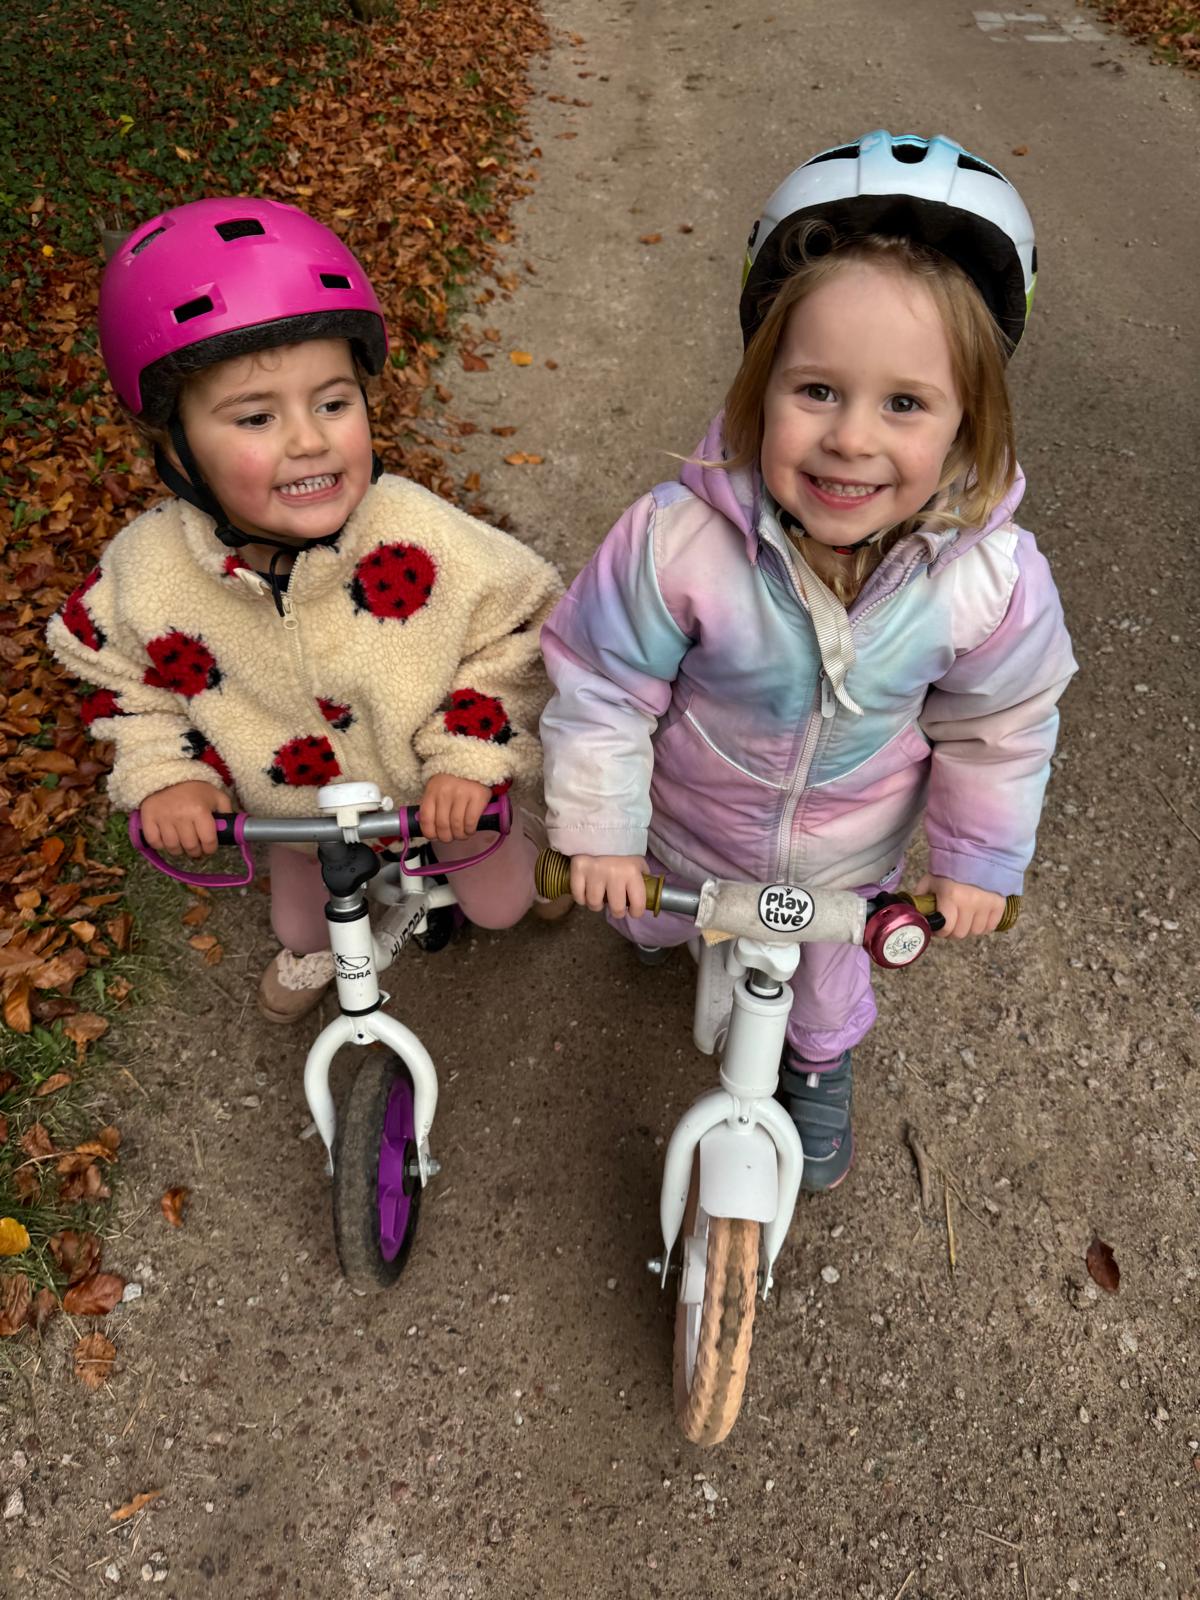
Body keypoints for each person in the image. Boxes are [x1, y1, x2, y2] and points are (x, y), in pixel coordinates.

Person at [539, 131, 1077, 1191]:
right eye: (817, 390)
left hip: (841, 862)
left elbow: (999, 728)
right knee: (640, 906)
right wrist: (600, 829)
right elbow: (604, 684)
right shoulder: (676, 542)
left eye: (905, 404)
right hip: (684, 826)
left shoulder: (990, 581)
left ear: (968, 421)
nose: (851, 440)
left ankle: (820, 1064)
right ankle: (652, 923)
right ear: (760, 386)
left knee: (825, 994)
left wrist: (976, 862)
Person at [49, 196, 565, 1023]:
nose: (310, 441)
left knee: (502, 904)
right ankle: (333, 933)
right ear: (172, 444)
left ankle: (534, 845)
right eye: (257, 417)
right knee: (300, 925)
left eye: (333, 403)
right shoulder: (147, 575)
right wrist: (165, 775)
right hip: (295, 815)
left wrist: (468, 756)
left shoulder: (419, 534)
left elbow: (525, 622)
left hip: (439, 791)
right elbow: (119, 678)